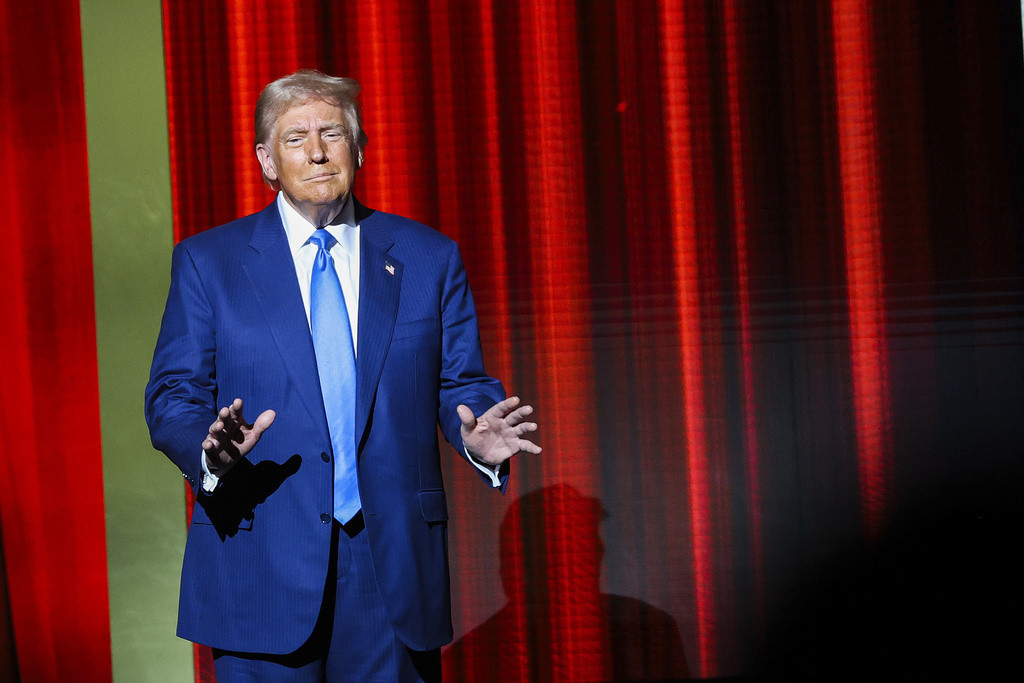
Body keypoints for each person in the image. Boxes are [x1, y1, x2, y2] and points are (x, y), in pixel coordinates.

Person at [145, 70, 540, 681]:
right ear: (266, 160)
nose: (318, 151)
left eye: (332, 133)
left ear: (359, 149)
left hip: (390, 568)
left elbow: (460, 383)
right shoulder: (208, 262)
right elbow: (174, 394)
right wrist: (208, 449)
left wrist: (476, 437)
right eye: (296, 137)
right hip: (261, 556)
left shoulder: (427, 256)